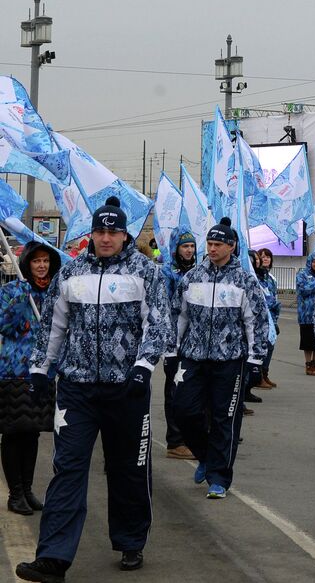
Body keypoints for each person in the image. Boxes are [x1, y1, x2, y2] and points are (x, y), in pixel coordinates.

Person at [16, 197, 171, 582]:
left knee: (128, 468)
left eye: (112, 232)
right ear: (92, 234)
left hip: (127, 391)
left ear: (123, 234)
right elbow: (54, 325)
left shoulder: (145, 272)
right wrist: (40, 368)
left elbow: (160, 325)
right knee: (67, 469)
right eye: (99, 232)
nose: (105, 238)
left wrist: (142, 367)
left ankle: (130, 539)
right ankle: (52, 557)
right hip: (77, 390)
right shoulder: (70, 273)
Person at [171, 217, 269, 500]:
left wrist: (255, 360)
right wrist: (171, 351)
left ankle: (219, 477)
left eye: (217, 245)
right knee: (184, 411)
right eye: (209, 244)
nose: (211, 249)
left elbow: (257, 322)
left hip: (230, 360)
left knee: (225, 418)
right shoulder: (192, 278)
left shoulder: (244, 281)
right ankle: (204, 455)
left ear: (231, 246)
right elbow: (179, 316)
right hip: (194, 356)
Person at [0, 243, 61, 515]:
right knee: (15, 432)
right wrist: (20, 297)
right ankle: (15, 494)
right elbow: (4, 324)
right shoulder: (12, 291)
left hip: (43, 372)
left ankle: (27, 489)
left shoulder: (54, 294)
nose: (41, 265)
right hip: (14, 372)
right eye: (36, 261)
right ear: (26, 264)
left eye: (46, 261)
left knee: (33, 433)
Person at [159, 230, 197, 459]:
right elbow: (163, 308)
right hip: (173, 340)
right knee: (174, 390)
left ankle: (189, 436)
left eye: (192, 246)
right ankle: (174, 440)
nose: (189, 250)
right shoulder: (167, 273)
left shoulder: (197, 271)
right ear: (176, 249)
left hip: (194, 340)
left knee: (191, 391)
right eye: (185, 246)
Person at [253, 248, 281, 389]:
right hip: (261, 318)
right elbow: (264, 299)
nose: (265, 259)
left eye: (268, 257)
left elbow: (274, 297)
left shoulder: (270, 278)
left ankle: (265, 373)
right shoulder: (255, 277)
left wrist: (275, 319)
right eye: (261, 257)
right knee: (263, 347)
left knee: (271, 346)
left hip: (271, 317)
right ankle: (258, 376)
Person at [296, 251, 315, 376]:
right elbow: (303, 289)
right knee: (307, 341)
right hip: (306, 315)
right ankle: (308, 364)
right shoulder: (302, 274)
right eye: (314, 261)